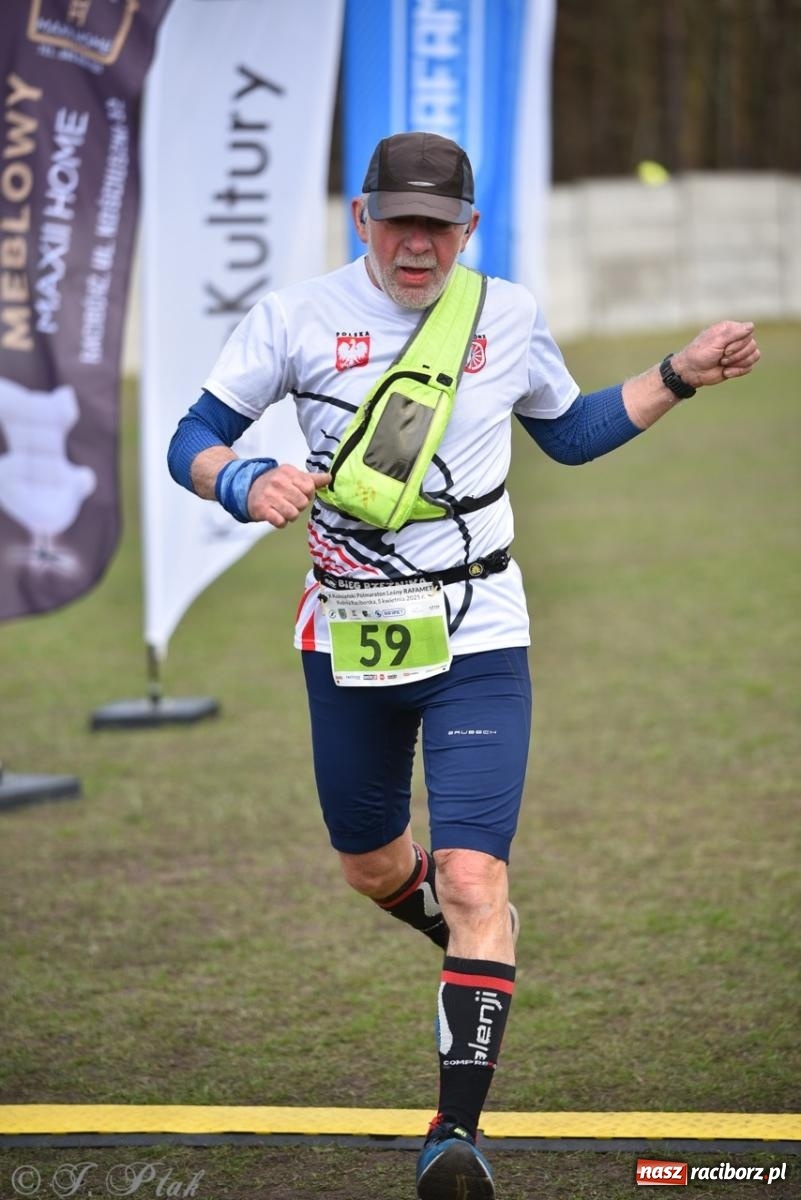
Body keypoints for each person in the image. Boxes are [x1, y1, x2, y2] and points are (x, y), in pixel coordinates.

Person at [167, 131, 760, 1200]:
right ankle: (477, 947)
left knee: (473, 874)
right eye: (397, 221)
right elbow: (191, 435)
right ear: (362, 217)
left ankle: (456, 1134)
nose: (415, 244)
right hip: (348, 631)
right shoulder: (296, 317)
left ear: (468, 230)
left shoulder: (507, 315)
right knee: (371, 866)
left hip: (481, 629)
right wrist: (242, 476)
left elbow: (569, 435)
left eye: (438, 226)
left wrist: (681, 373)